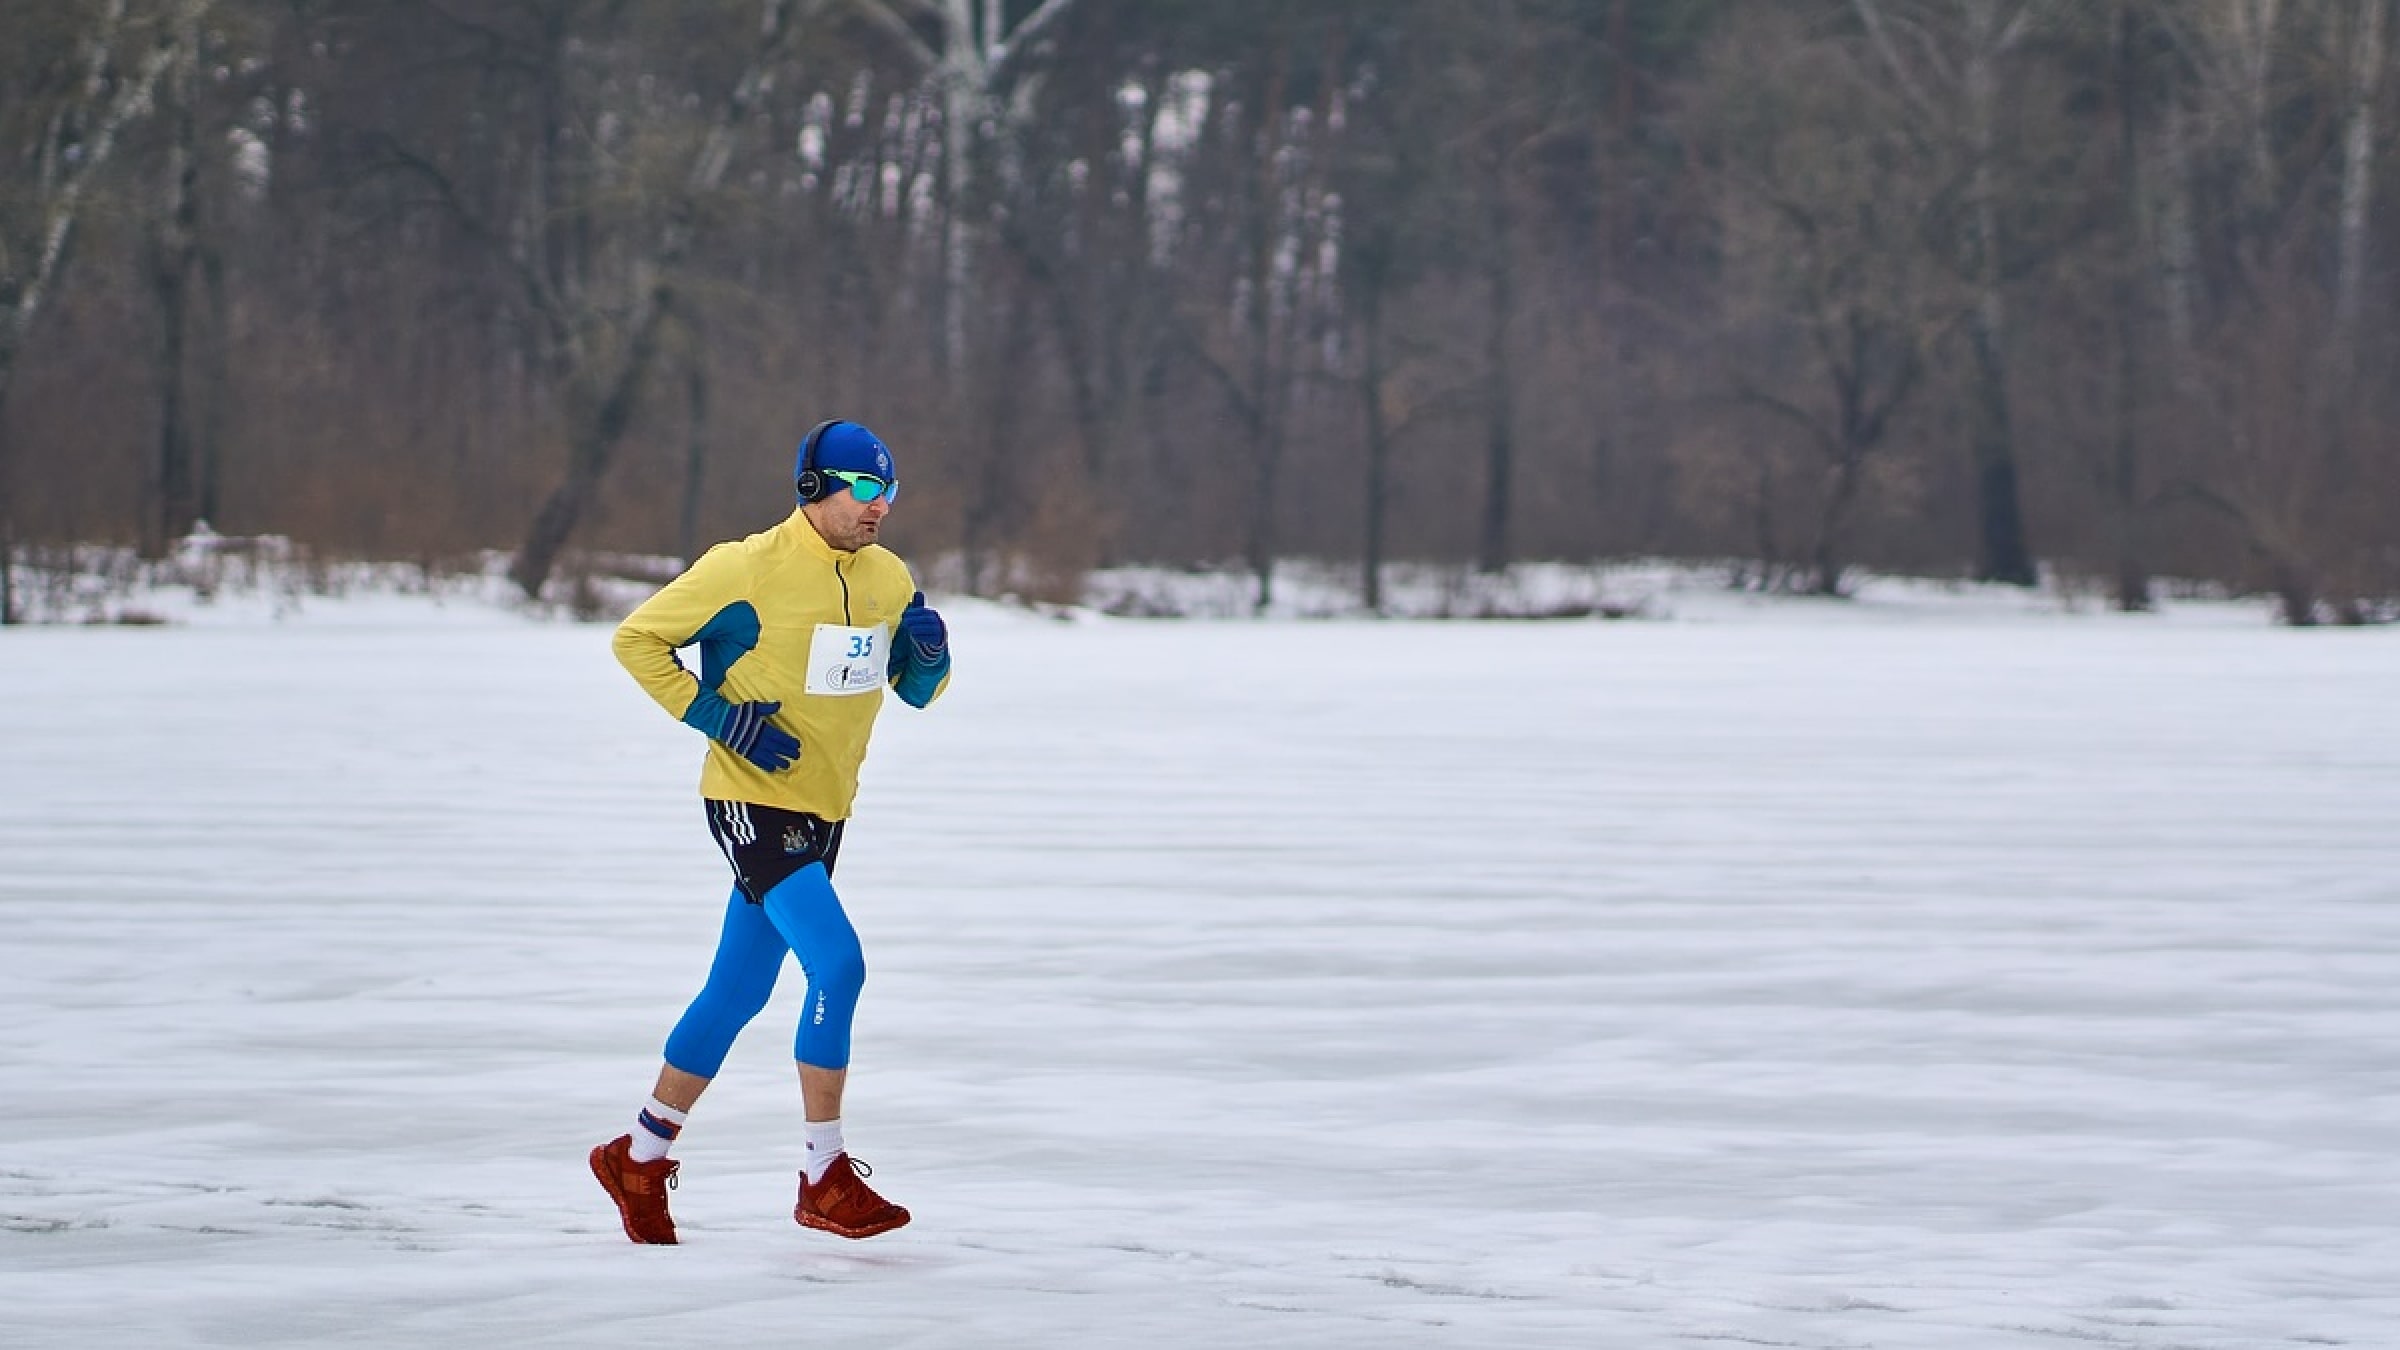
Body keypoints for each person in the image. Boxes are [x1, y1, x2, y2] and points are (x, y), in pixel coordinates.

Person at [589, 418, 951, 1244]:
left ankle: (637, 1156)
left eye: (888, 492)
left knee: (737, 991)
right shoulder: (744, 566)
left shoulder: (890, 579)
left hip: (826, 810)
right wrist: (718, 717)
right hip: (750, 798)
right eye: (863, 489)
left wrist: (927, 659)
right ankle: (824, 1174)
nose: (879, 507)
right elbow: (636, 639)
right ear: (813, 487)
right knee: (839, 963)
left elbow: (917, 693)